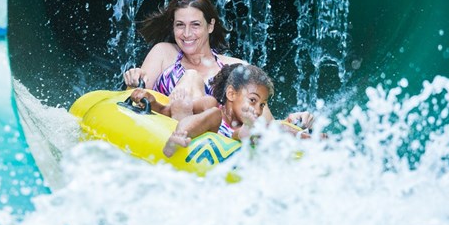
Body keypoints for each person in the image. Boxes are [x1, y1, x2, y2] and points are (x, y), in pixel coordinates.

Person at [124, 0, 313, 132]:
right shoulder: (163, 52)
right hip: (162, 131)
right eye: (180, 25)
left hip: (216, 141)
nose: (187, 34)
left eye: (195, 25)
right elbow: (133, 100)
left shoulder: (235, 68)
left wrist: (291, 122)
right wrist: (133, 81)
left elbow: (263, 120)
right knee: (191, 77)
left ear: (211, 25)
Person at [131, 63, 315, 157]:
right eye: (252, 101)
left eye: (262, 105)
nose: (257, 109)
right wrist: (152, 102)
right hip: (186, 133)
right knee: (208, 113)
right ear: (231, 94)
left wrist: (304, 134)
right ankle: (176, 140)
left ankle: (309, 140)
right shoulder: (210, 104)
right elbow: (167, 111)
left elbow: (276, 127)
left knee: (254, 130)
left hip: (233, 138)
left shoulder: (245, 124)